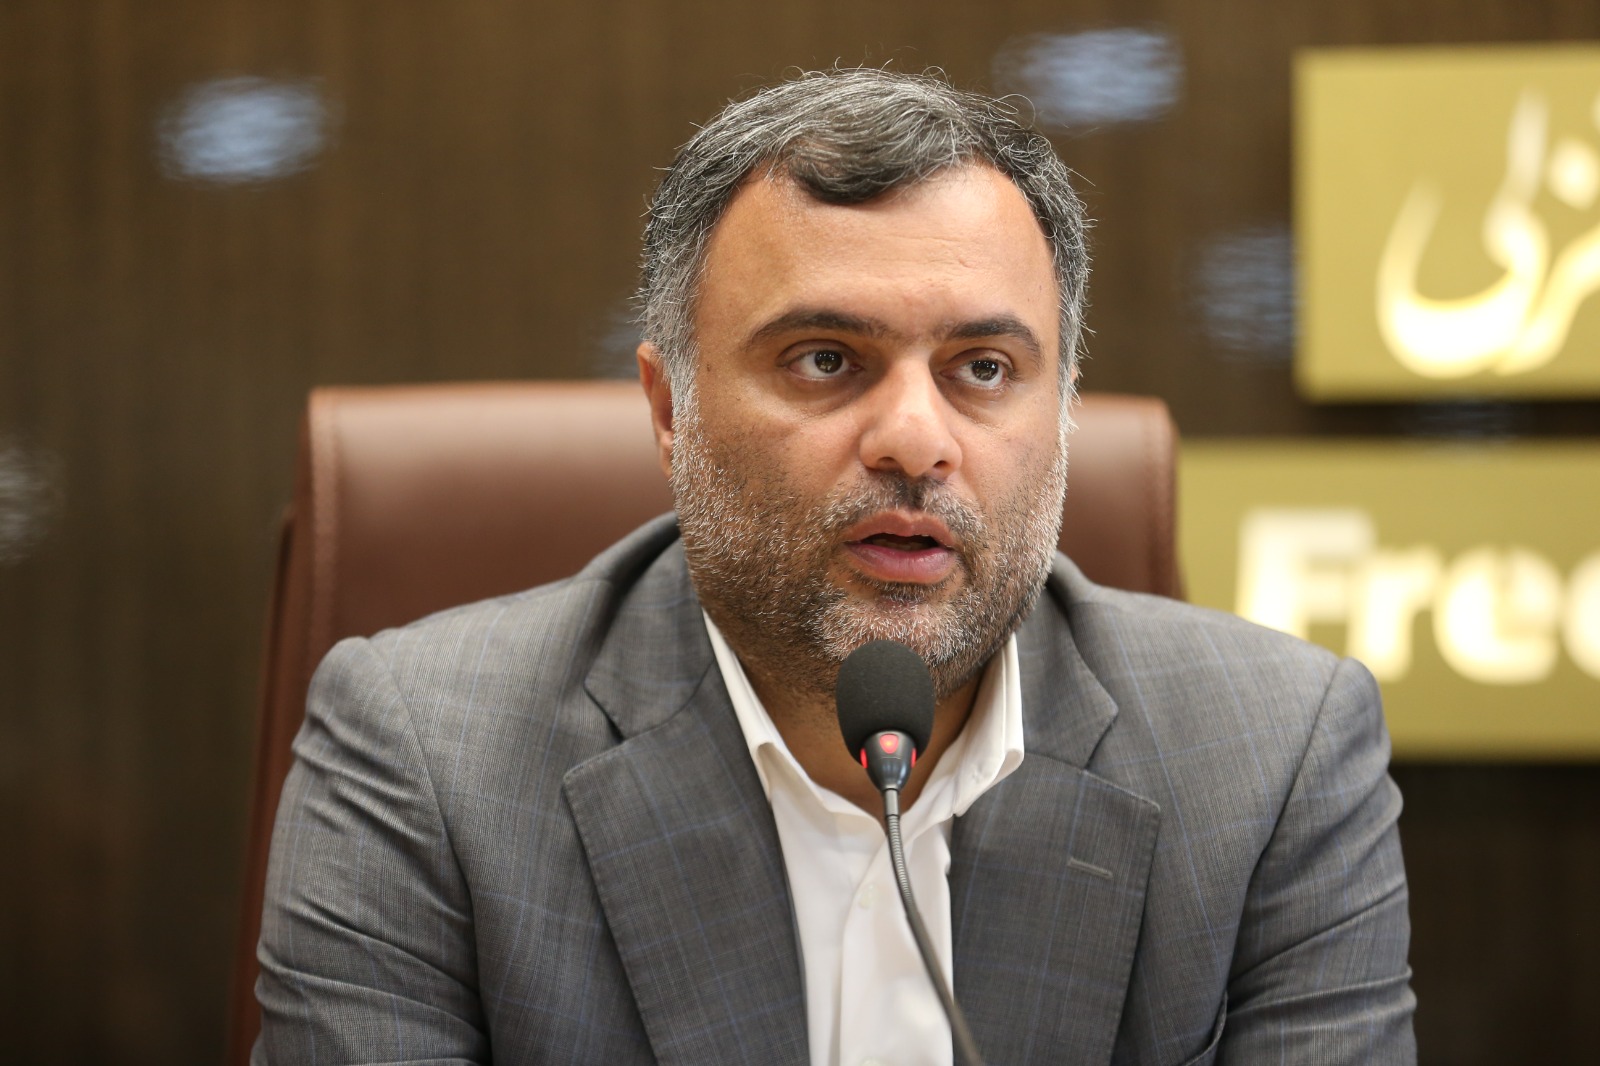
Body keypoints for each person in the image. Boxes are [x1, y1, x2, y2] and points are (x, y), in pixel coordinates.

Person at [255, 69, 1415, 1065]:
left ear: (1060, 414)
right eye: (824, 359)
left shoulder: (1274, 757)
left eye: (983, 368)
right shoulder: (424, 756)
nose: (914, 439)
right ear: (670, 410)